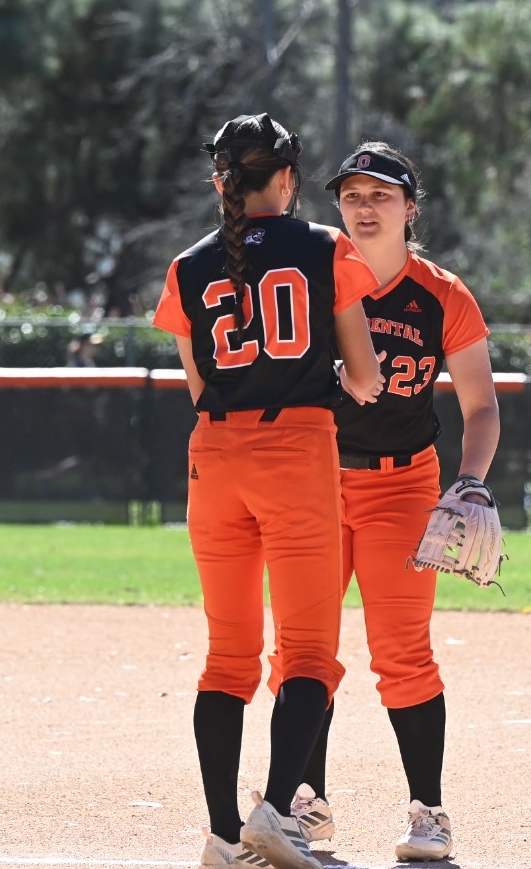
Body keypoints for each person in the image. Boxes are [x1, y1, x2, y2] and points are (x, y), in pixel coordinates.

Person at [151, 113, 382, 869]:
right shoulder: (322, 247)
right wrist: (332, 386)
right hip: (295, 450)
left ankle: (223, 834)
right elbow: (367, 377)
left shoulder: (188, 265)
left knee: (227, 658)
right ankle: (276, 812)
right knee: (310, 651)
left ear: (221, 180)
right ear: (285, 177)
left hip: (214, 457)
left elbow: (196, 385)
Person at [276, 143, 500, 864]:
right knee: (300, 650)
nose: (364, 208)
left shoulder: (442, 293)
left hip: (402, 485)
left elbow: (482, 406)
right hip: (315, 479)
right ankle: (305, 806)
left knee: (403, 652)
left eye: (381, 195)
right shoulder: (308, 280)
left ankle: (428, 812)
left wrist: (468, 481)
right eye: (351, 196)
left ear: (411, 208)